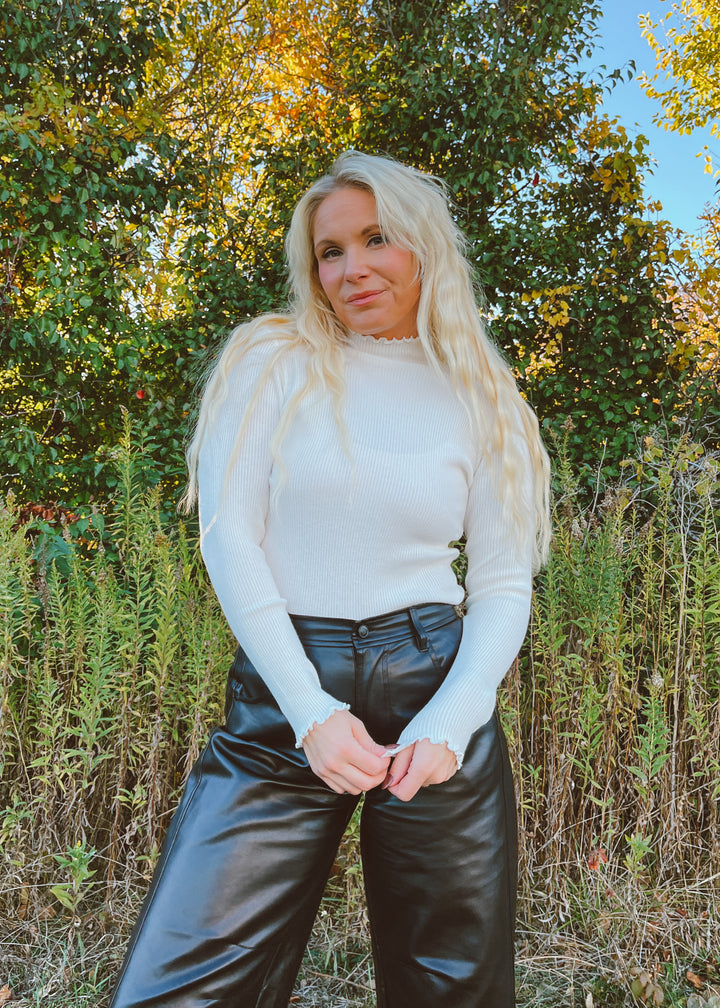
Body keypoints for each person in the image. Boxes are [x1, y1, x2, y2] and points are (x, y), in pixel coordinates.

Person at [108, 150, 551, 1008]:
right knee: (177, 984)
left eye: (375, 239)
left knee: (451, 986)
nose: (351, 269)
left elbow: (501, 586)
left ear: (423, 247)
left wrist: (451, 725)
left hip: (434, 686)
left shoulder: (483, 396)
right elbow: (229, 538)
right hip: (284, 704)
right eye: (330, 250)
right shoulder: (271, 361)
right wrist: (310, 714)